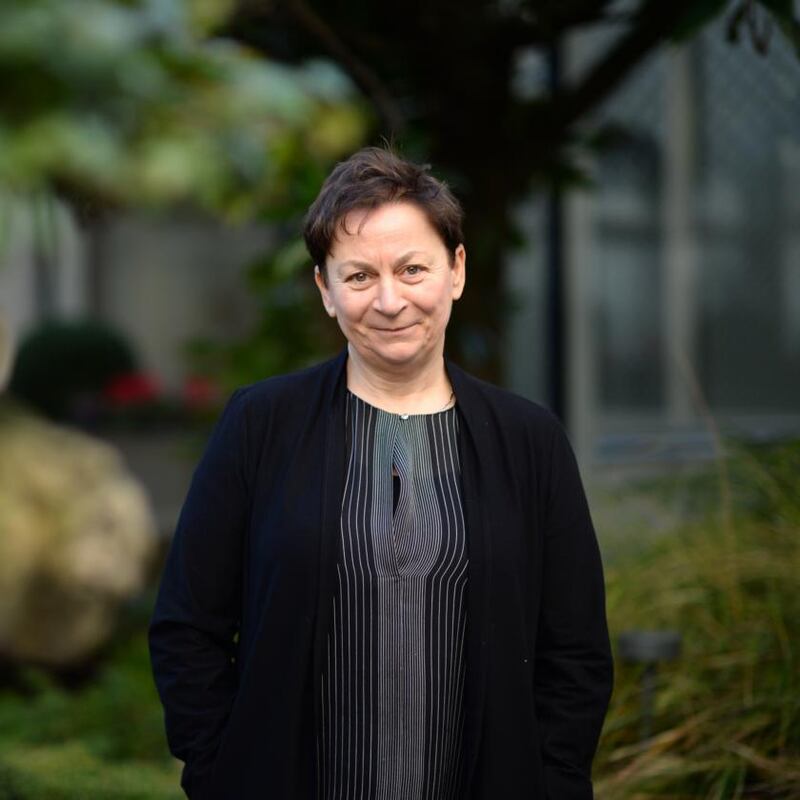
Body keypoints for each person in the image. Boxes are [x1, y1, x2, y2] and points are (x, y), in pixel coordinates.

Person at [148, 147, 613, 800]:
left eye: (412, 269)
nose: (390, 301)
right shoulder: (260, 425)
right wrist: (222, 773)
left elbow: (576, 654)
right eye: (360, 276)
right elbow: (186, 628)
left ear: (456, 270)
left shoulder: (529, 441)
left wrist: (554, 783)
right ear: (325, 290)